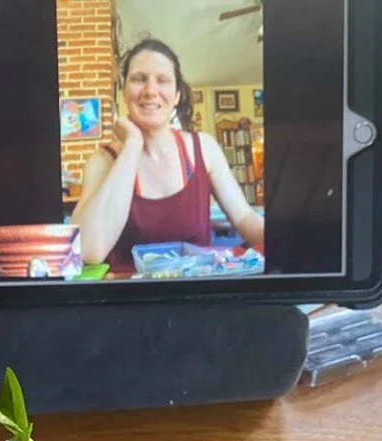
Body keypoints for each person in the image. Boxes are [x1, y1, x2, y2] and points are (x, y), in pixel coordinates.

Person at [71, 38, 265, 271]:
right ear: (124, 92)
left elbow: (245, 219)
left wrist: (293, 234)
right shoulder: (103, 160)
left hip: (197, 292)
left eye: (162, 80)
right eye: (139, 79)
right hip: (129, 294)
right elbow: (88, 249)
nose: (150, 91)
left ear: (176, 95)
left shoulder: (204, 148)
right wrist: (132, 144)